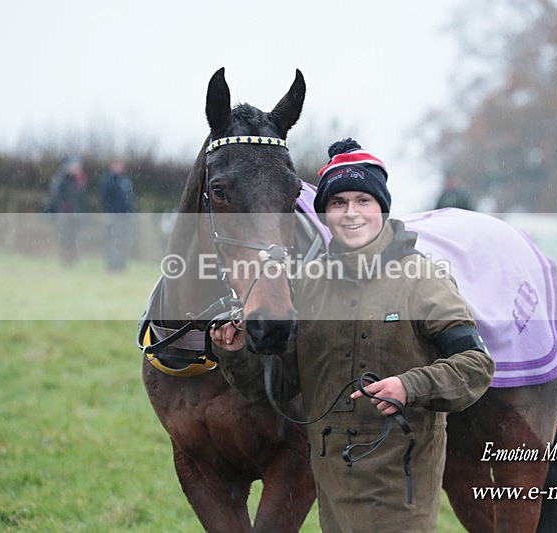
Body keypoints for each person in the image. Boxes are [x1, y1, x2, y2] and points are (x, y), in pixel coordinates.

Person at [211, 139, 495, 532]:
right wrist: (237, 353)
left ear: (381, 207)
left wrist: (409, 386)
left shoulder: (422, 279)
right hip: (333, 482)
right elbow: (278, 384)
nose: (351, 213)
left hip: (402, 482)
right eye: (339, 203)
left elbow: (476, 366)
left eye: (363, 200)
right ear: (325, 213)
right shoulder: (308, 286)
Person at [45, 156, 87, 266]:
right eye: (74, 166)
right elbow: (55, 199)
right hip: (64, 217)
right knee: (65, 241)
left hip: (76, 217)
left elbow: (80, 200)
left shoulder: (79, 181)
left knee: (74, 241)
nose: (77, 168)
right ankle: (65, 263)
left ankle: (72, 263)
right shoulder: (60, 181)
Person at [99, 159, 134, 271]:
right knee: (112, 241)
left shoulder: (125, 181)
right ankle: (111, 265)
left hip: (125, 216)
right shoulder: (108, 181)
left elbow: (130, 198)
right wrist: (107, 213)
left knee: (123, 241)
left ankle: (121, 265)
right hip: (113, 217)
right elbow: (104, 198)